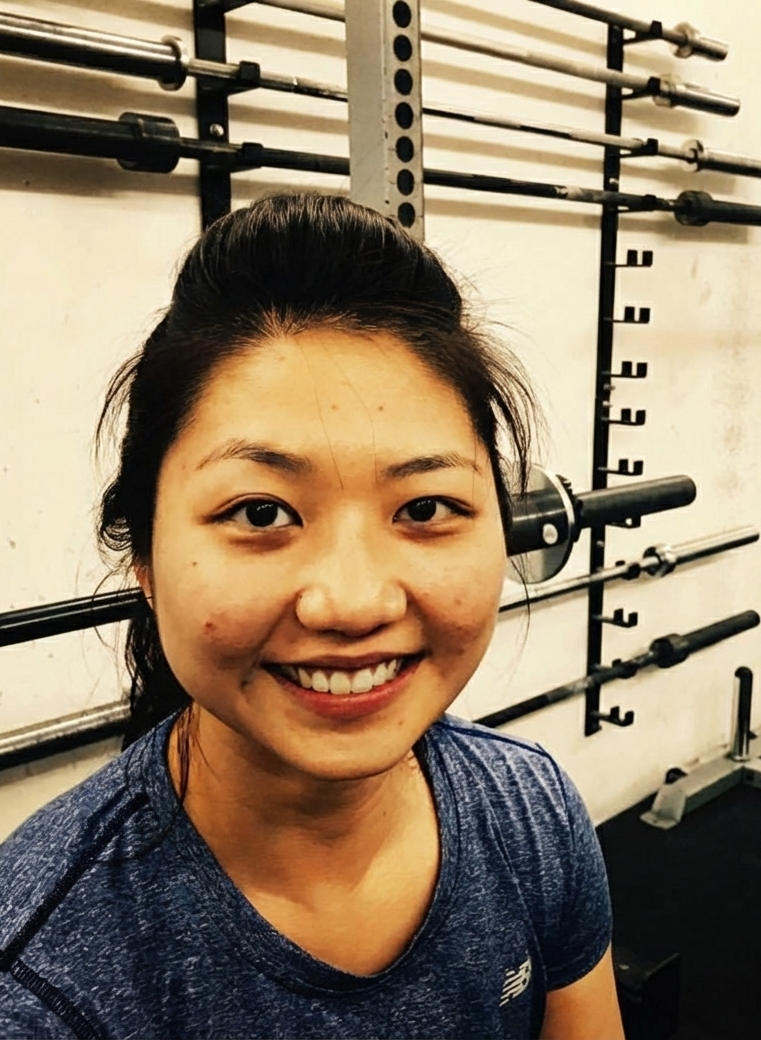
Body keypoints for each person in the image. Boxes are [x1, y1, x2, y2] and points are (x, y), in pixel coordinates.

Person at [0, 193, 624, 1039]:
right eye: (261, 513)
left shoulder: (527, 810)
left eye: (427, 506)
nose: (355, 602)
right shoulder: (43, 984)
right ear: (144, 557)